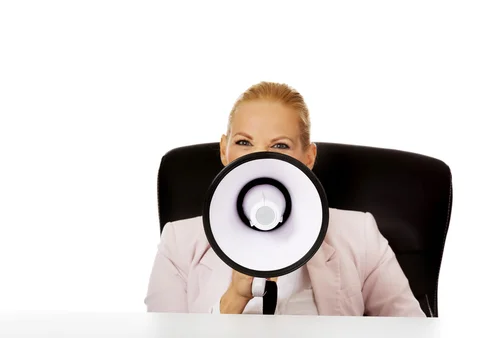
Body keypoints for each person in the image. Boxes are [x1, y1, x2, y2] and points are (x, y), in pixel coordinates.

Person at [144, 81, 425, 317]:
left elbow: (410, 328)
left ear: (309, 157)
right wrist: (234, 299)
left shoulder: (359, 234)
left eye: (280, 146)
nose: (259, 158)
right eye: (244, 142)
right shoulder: (178, 243)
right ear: (223, 150)